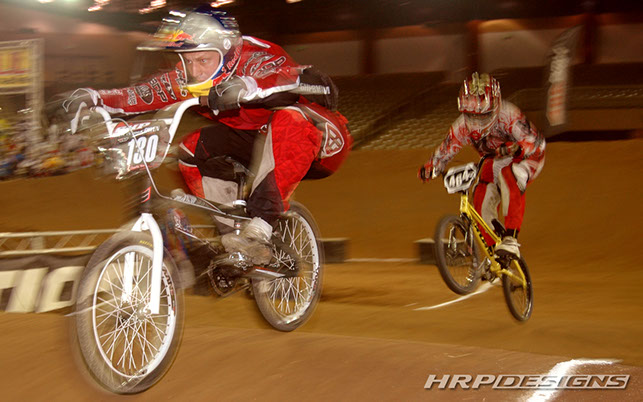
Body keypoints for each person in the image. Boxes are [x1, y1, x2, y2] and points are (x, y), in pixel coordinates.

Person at [61, 5, 352, 264]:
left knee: (290, 119)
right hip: (256, 140)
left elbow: (296, 79)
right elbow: (140, 95)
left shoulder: (255, 55)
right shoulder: (187, 77)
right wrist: (93, 98)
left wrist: (247, 86)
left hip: (319, 140)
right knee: (189, 149)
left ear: (227, 53)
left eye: (203, 61)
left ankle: (262, 224)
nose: (195, 71)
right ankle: (233, 235)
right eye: (188, 61)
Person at [419, 72, 545, 258]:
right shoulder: (462, 126)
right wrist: (432, 166)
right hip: (495, 158)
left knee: (509, 175)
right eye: (471, 115)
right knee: (480, 197)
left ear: (495, 106)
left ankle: (511, 239)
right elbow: (446, 149)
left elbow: (534, 141)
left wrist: (517, 148)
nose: (476, 123)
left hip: (528, 156)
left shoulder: (509, 115)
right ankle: (495, 255)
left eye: (483, 116)